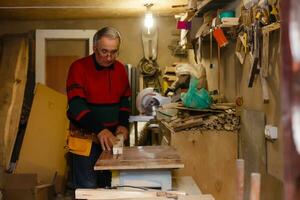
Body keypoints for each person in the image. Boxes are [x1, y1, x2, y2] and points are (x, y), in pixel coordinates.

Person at [66, 27, 131, 189]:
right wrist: (99, 129)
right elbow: (76, 105)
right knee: (87, 186)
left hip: (111, 141)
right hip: (85, 138)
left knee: (110, 185)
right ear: (94, 48)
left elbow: (124, 100)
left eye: (114, 52)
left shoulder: (120, 70)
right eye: (104, 51)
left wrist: (123, 124)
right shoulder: (78, 68)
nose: (109, 57)